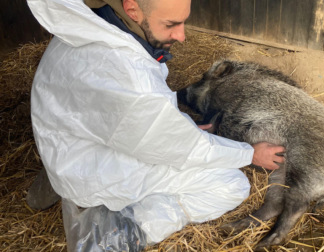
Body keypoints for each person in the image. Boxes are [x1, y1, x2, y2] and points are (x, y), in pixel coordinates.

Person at [27, 0, 285, 250]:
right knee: (231, 184)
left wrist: (174, 127)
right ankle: (121, 232)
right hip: (91, 168)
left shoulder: (89, 26)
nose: (182, 35)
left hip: (67, 141)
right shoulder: (132, 78)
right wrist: (249, 153)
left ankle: (52, 180)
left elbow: (142, 116)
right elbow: (184, 149)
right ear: (132, 9)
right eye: (171, 24)